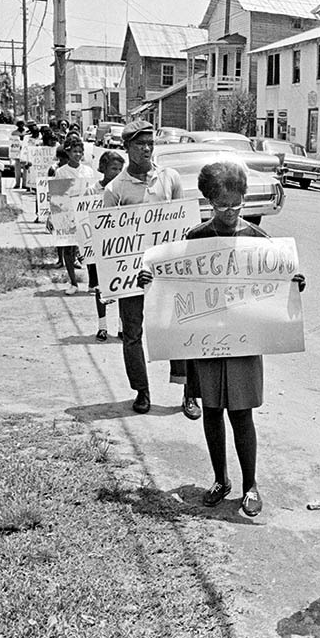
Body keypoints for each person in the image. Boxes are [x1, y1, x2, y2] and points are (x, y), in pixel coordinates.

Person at [163, 160, 305, 517]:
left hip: (243, 343)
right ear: (209, 202)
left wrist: (293, 283)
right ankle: (220, 479)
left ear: (244, 199)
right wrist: (154, 283)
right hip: (206, 342)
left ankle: (250, 484)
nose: (229, 212)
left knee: (242, 415)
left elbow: (277, 286)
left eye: (236, 204)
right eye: (221, 205)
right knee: (211, 411)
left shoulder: (259, 242)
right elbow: (178, 287)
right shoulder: (195, 239)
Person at [102, 120, 201, 419]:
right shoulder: (115, 189)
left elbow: (182, 225)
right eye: (139, 144)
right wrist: (107, 278)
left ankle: (188, 394)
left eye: (150, 144)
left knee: (181, 328)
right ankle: (141, 391)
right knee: (132, 333)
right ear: (127, 147)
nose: (146, 149)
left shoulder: (169, 178)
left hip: (167, 271)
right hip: (131, 275)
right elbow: (109, 240)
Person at [85, 150, 125, 341]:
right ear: (103, 168)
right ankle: (102, 326)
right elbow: (84, 219)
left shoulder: (123, 189)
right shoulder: (92, 190)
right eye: (112, 169)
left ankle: (121, 326)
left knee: (124, 286)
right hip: (99, 245)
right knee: (101, 287)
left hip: (121, 244)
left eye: (120, 169)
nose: (116, 173)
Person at [51, 135, 97, 295]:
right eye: (74, 152)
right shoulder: (61, 172)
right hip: (68, 214)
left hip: (85, 213)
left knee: (89, 247)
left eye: (80, 151)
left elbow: (92, 193)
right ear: (68, 153)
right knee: (69, 248)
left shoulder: (88, 171)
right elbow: (58, 196)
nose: (77, 155)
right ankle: (73, 283)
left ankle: (93, 282)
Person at [11, 120, 27, 191]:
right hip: (17, 152)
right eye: (19, 124)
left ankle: (24, 184)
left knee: (25, 169)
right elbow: (12, 143)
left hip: (25, 153)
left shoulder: (27, 133)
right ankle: (17, 183)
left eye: (22, 124)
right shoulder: (14, 133)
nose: (21, 125)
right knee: (17, 169)